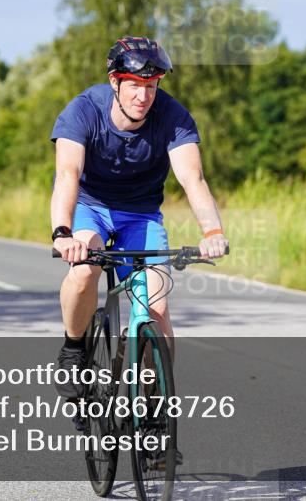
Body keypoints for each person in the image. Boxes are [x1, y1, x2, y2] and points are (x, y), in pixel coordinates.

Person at [50, 37, 229, 400]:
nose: (143, 96)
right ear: (115, 82)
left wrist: (212, 231)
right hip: (91, 205)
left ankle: (154, 407)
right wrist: (62, 233)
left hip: (141, 213)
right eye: (134, 85)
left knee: (157, 312)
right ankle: (73, 349)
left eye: (151, 86)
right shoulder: (83, 111)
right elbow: (68, 173)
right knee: (85, 268)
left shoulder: (172, 116)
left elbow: (193, 179)